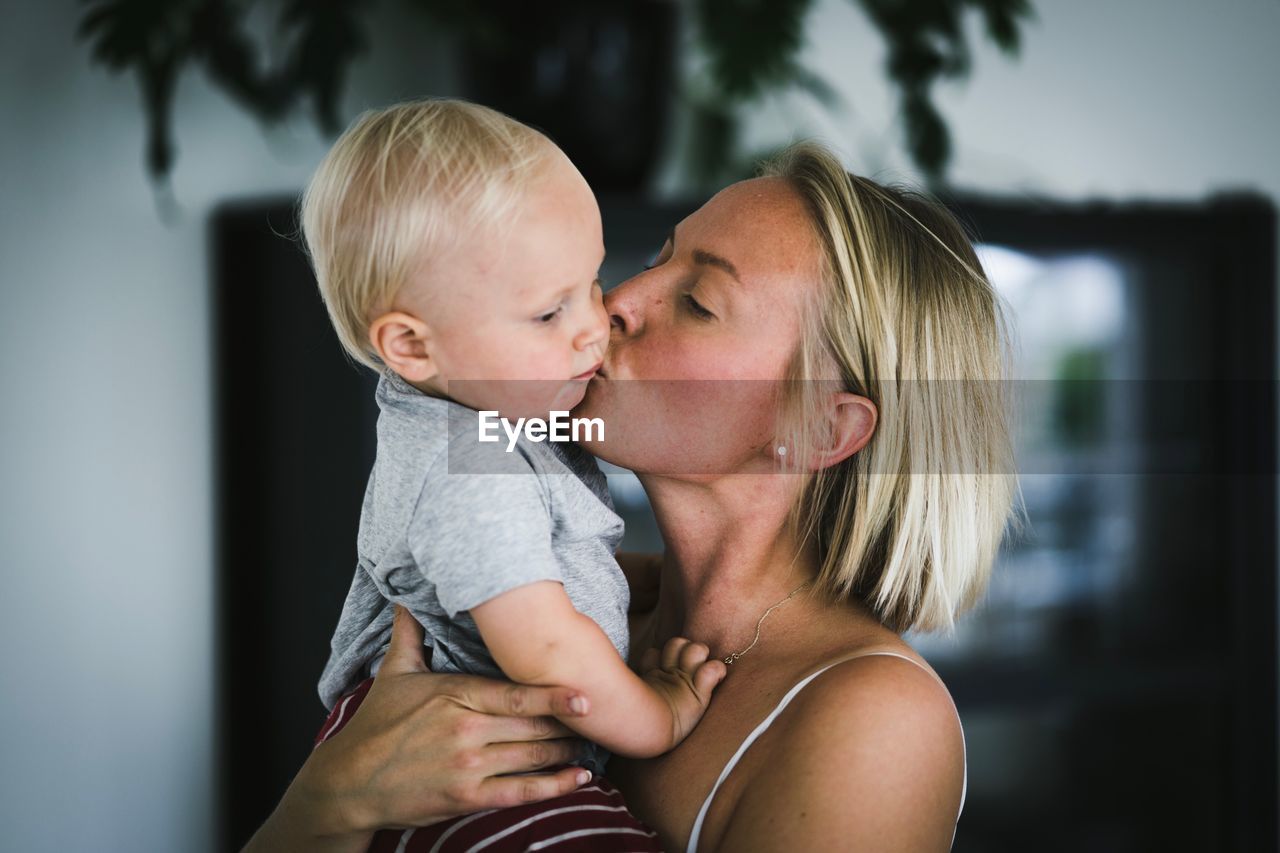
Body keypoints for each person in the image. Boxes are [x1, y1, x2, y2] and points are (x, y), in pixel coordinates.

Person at [246, 139, 1022, 852]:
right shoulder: (568, 601)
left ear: (822, 427)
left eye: (699, 300)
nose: (618, 298)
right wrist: (328, 800)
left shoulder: (873, 719)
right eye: (658, 256)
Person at [294, 98, 727, 851]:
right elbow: (549, 652)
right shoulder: (473, 466)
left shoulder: (489, 408)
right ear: (413, 347)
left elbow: (526, 565)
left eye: (590, 282)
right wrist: (662, 713)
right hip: (466, 771)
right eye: (547, 313)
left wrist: (640, 578)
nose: (596, 321)